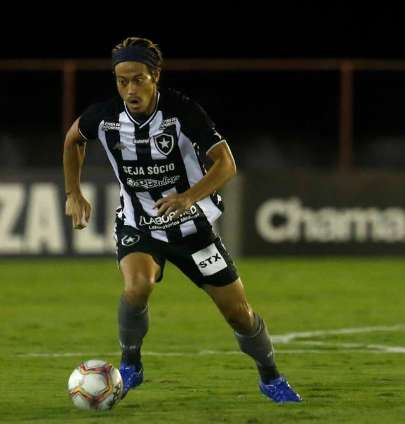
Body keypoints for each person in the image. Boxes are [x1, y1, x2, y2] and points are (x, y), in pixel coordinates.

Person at [62, 37, 301, 403]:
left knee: (238, 313)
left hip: (192, 228)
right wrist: (73, 192)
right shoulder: (105, 117)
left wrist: (189, 197)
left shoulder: (182, 113)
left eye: (138, 79)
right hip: (139, 224)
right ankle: (130, 364)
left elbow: (227, 164)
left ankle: (270, 377)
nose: (130, 89)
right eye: (122, 81)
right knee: (136, 287)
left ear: (155, 76)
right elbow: (73, 139)